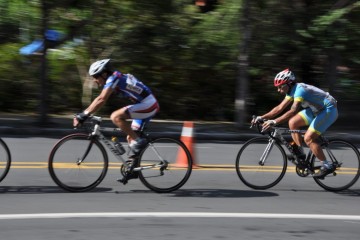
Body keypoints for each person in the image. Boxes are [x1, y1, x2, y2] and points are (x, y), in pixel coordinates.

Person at [252, 68, 338, 177]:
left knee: (308, 138)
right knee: (293, 123)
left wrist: (274, 121)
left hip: (328, 110)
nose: (278, 90)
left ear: (289, 83)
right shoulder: (291, 91)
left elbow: (293, 110)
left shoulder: (300, 90)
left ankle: (326, 165)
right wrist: (262, 117)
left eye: (280, 86)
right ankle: (300, 155)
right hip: (315, 109)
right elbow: (279, 108)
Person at [73, 59, 160, 154]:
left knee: (115, 117)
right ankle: (134, 166)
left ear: (104, 74)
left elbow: (101, 99)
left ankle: (140, 142)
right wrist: (85, 113)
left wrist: (83, 115)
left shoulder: (113, 78)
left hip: (149, 105)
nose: (95, 80)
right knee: (131, 137)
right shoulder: (116, 77)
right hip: (144, 104)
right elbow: (100, 98)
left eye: (95, 77)